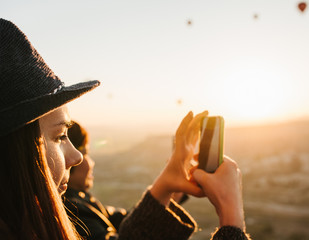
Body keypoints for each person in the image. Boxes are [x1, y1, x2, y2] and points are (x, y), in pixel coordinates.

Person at [0, 18, 250, 240]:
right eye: (60, 136)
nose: (76, 157)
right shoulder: (66, 214)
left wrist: (165, 185)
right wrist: (231, 217)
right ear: (11, 153)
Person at [64, 121, 127, 239]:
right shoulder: (73, 212)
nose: (92, 163)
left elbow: (115, 216)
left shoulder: (81, 199)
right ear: (69, 161)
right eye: (85, 154)